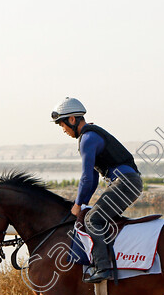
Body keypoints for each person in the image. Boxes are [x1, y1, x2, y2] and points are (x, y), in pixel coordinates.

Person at [51, 97, 143, 283]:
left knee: (93, 220)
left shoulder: (87, 139)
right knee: (92, 215)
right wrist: (83, 204)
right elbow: (92, 179)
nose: (63, 130)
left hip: (125, 183)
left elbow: (86, 178)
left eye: (62, 125)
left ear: (72, 119)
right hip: (127, 182)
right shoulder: (90, 136)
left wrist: (77, 205)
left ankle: (102, 268)